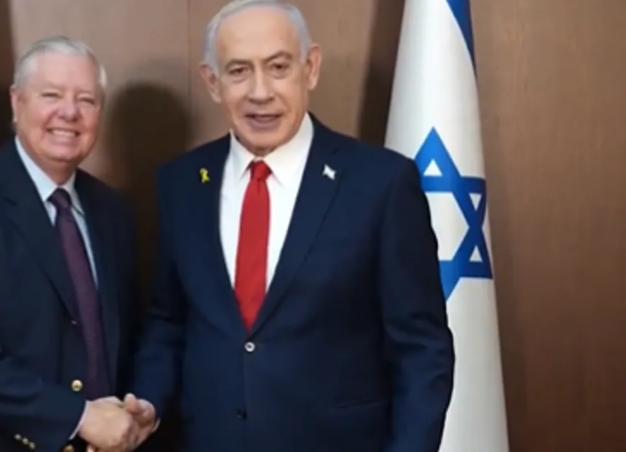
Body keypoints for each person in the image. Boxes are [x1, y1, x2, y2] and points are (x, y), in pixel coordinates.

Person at [130, 1, 455, 451]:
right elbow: (169, 320)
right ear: (212, 82)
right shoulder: (181, 183)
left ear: (311, 68)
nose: (260, 92)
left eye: (278, 67)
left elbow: (422, 348)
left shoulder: (381, 183)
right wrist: (148, 400)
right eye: (239, 71)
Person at [0, 36, 155, 452]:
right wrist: (78, 418)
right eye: (51, 95)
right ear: (17, 103)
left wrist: (137, 406)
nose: (69, 112)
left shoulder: (112, 212)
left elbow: (123, 337)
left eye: (86, 100)